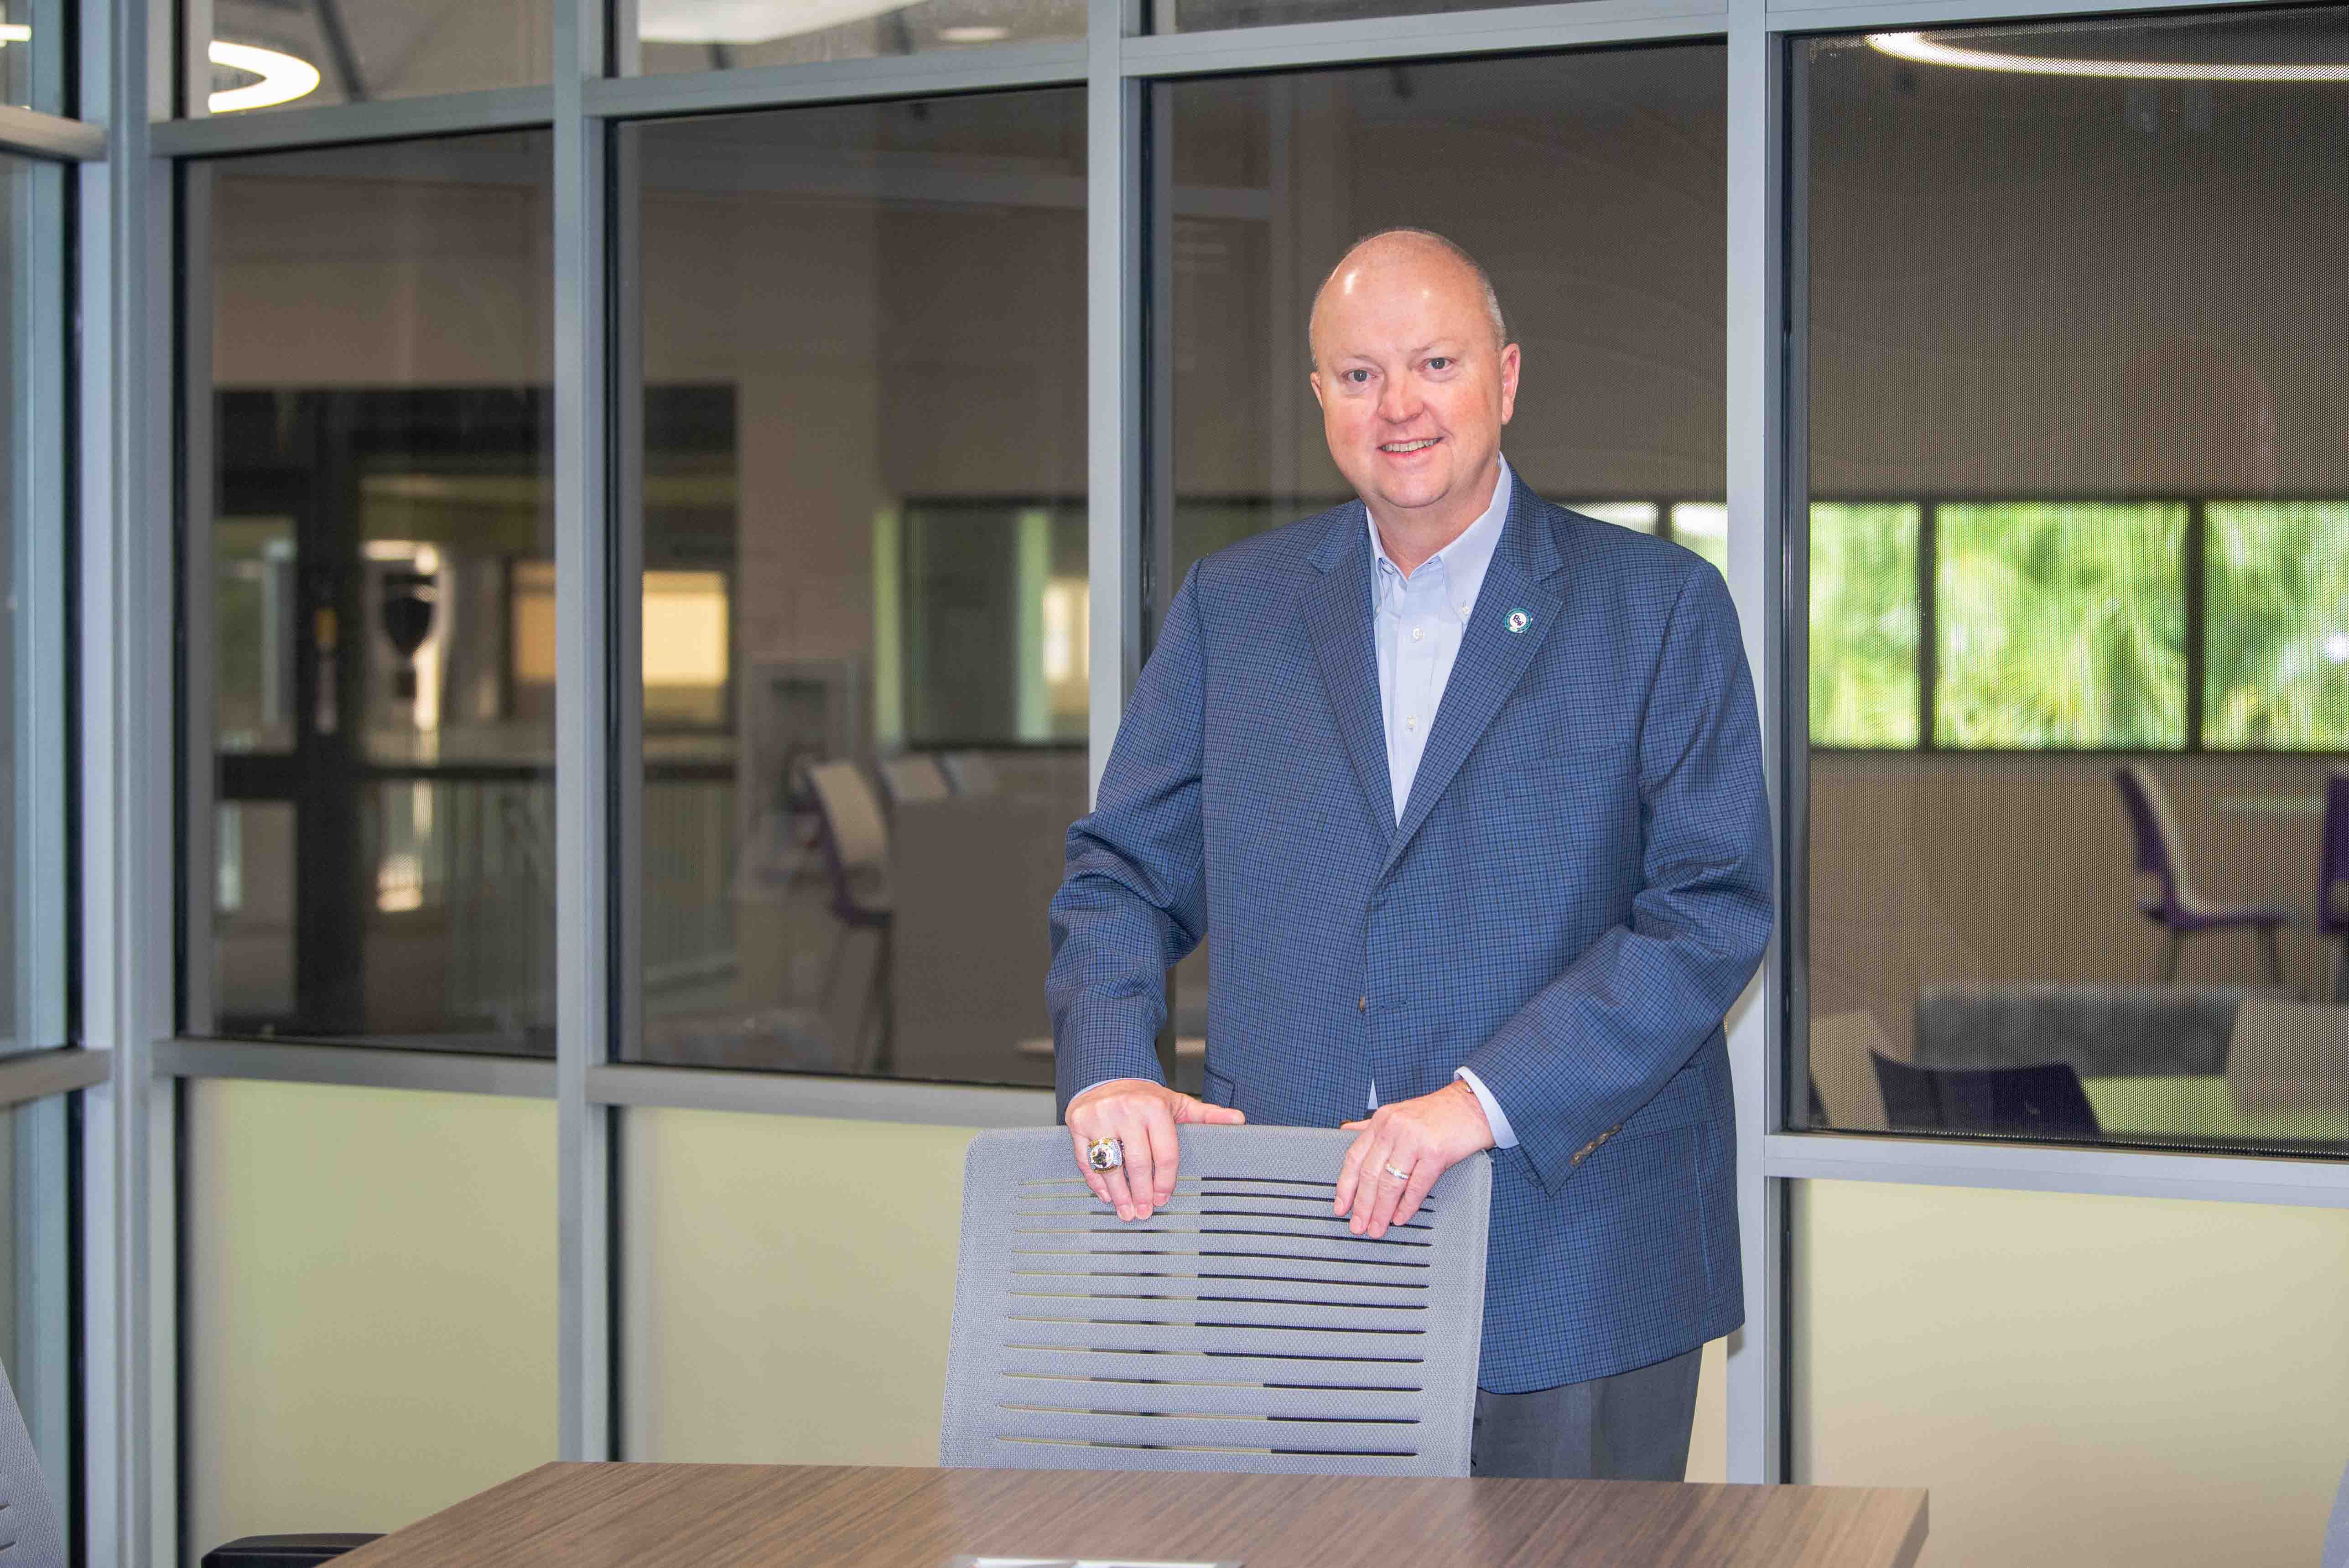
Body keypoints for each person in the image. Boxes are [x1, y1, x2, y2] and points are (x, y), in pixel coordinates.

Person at [1045, 228, 1772, 1480]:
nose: (1401, 406)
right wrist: (1109, 1065)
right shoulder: (1238, 606)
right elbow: (1123, 874)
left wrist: (1476, 1104)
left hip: (1580, 1252)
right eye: (1361, 373)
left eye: (1434, 362)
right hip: (1320, 1257)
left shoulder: (1655, 606)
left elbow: (1708, 911)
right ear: (1321, 398)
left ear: (1507, 376)